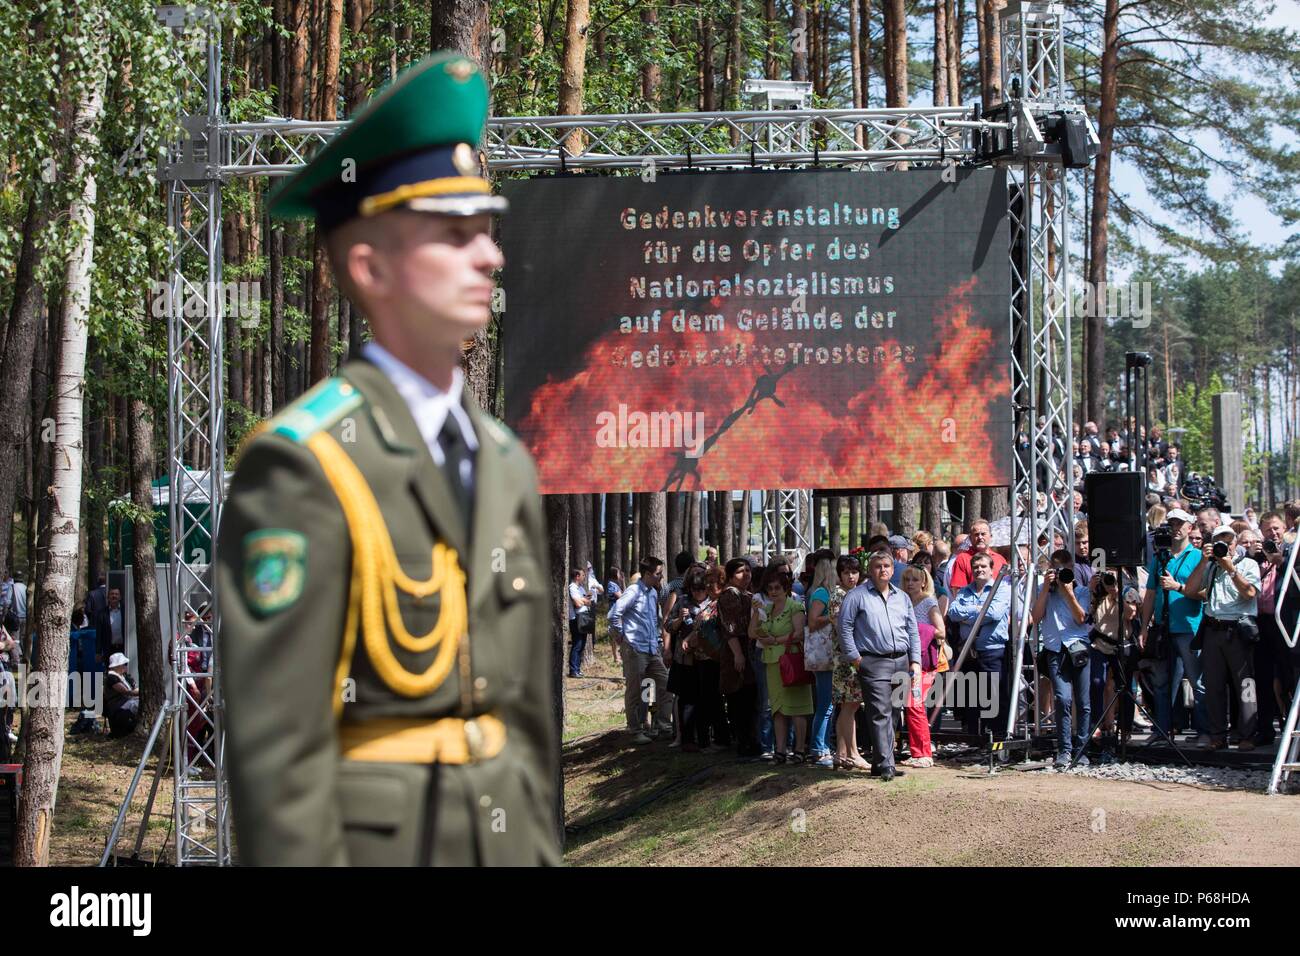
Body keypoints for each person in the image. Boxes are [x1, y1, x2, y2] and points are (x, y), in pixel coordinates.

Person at [215, 53, 559, 866]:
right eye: (453, 235)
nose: (489, 258)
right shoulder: (305, 465)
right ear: (369, 267)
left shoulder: (505, 460)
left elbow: (529, 731)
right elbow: (280, 766)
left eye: (486, 231)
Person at [837, 551, 920, 780]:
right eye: (877, 566)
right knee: (879, 712)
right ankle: (886, 764)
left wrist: (915, 661)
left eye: (887, 566)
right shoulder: (857, 596)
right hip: (873, 661)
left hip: (901, 660)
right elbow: (844, 628)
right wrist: (856, 658)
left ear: (893, 570)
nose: (883, 570)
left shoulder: (902, 597)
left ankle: (880, 760)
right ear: (870, 570)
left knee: (894, 712)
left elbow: (912, 630)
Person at [1183, 523, 1261, 750]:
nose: (1225, 546)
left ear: (1235, 543)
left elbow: (1249, 593)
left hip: (1238, 629)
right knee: (1213, 685)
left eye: (1229, 541)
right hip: (1213, 629)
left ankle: (1247, 734)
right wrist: (1204, 561)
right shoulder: (1211, 567)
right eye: (1220, 542)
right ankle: (1217, 734)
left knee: (1245, 684)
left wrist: (1230, 568)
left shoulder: (1248, 564)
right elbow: (1190, 590)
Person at [1138, 508, 1205, 738]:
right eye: (1173, 523)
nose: (1176, 528)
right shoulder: (1160, 556)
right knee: (1162, 682)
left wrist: (1179, 588)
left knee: (1197, 681)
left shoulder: (1197, 556)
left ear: (1190, 528)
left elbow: (1205, 593)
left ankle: (1205, 732)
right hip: (1163, 627)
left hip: (1189, 626)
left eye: (1180, 524)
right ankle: (1162, 729)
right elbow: (1150, 593)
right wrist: (1145, 625)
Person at [1032, 550, 1092, 767]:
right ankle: (1064, 750)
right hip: (1055, 649)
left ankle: (1081, 749)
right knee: (1063, 699)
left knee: (1083, 702)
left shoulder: (1082, 591)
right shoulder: (1044, 590)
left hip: (1078, 648)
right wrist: (1046, 589)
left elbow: (1081, 618)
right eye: (1055, 569)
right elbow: (1035, 617)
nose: (1060, 574)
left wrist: (1069, 592)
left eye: (1064, 570)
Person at [750, 562, 811, 764]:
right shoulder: (766, 609)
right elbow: (752, 633)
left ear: (786, 588)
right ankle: (781, 751)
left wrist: (775, 640)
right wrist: (756, 614)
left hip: (791, 661)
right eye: (770, 588)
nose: (774, 592)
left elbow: (800, 633)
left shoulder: (795, 606)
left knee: (797, 708)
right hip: (771, 663)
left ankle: (800, 750)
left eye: (778, 587)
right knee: (777, 709)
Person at [609, 556, 673, 743]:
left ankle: (662, 724)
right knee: (636, 690)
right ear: (647, 574)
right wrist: (620, 634)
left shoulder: (652, 593)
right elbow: (614, 613)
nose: (660, 577)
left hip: (652, 648)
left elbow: (653, 620)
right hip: (635, 648)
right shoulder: (633, 591)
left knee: (666, 683)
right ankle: (635, 729)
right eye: (657, 574)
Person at [948, 552, 1011, 736]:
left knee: (995, 695)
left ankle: (998, 736)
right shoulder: (964, 591)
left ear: (992, 569)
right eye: (975, 567)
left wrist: (968, 616)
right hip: (968, 651)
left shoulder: (1001, 589)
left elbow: (994, 614)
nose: (979, 570)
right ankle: (975, 737)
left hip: (992, 651)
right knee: (972, 696)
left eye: (983, 566)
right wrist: (979, 610)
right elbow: (953, 612)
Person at [900, 565, 944, 768]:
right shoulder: (902, 601)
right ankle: (917, 752)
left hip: (924, 662)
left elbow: (941, 631)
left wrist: (916, 629)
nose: (910, 583)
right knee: (911, 707)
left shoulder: (929, 602)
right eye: (907, 579)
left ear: (924, 582)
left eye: (915, 579)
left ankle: (924, 753)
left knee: (915, 705)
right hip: (907, 660)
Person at [829, 556, 870, 770]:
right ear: (839, 575)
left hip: (852, 655)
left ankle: (841, 753)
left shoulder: (855, 593)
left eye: (854, 572)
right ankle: (853, 753)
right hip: (846, 658)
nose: (851, 576)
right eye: (846, 572)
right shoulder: (839, 595)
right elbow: (841, 627)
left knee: (849, 706)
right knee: (849, 705)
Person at [717, 558, 760, 757]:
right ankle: (742, 743)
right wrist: (738, 655)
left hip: (750, 648)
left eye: (748, 571)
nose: (746, 575)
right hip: (735, 650)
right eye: (741, 572)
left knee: (750, 697)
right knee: (738, 698)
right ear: (731, 576)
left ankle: (752, 740)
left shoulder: (748, 594)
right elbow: (730, 629)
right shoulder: (729, 595)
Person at [803, 555, 839, 768]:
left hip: (828, 655)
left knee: (829, 704)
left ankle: (824, 744)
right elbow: (813, 621)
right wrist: (833, 616)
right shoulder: (822, 593)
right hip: (823, 654)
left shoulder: (823, 592)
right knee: (825, 704)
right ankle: (818, 748)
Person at [948, 519, 1007, 591]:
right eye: (976, 534)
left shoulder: (1000, 559)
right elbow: (958, 590)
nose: (980, 537)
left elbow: (1006, 587)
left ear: (990, 536)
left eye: (983, 534)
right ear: (970, 538)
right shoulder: (963, 558)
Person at [103, 652, 141, 738]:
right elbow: (126, 692)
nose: (125, 666)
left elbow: (134, 688)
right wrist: (143, 692)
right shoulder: (112, 678)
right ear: (117, 666)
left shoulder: (124, 676)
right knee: (137, 705)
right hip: (118, 706)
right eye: (124, 664)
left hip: (127, 701)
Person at [567, 567, 592, 677]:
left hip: (583, 617)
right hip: (576, 618)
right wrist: (583, 601)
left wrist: (584, 600)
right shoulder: (572, 587)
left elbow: (588, 602)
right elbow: (577, 603)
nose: (584, 577)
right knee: (577, 644)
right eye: (582, 575)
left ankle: (577, 669)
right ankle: (573, 670)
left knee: (582, 644)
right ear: (577, 576)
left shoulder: (580, 588)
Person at [94, 587, 125, 664]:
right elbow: (99, 634)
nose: (114, 596)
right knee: (110, 673)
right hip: (109, 649)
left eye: (116, 594)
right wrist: (98, 652)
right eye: (112, 594)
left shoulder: (125, 611)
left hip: (124, 648)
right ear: (108, 597)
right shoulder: (102, 613)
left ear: (120, 597)